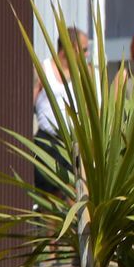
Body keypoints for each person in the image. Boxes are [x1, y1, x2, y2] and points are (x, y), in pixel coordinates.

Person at [32, 26, 89, 197]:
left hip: (72, 143)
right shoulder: (44, 70)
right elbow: (30, 101)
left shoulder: (83, 74)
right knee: (49, 200)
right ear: (71, 47)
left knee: (74, 196)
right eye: (84, 50)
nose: (86, 55)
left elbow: (87, 109)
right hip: (48, 142)